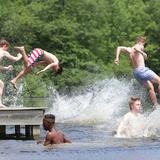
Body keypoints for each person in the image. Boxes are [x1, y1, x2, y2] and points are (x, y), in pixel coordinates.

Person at [114, 36, 160, 109]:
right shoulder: (139, 45)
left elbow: (119, 47)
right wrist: (142, 52)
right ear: (141, 42)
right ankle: (156, 104)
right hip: (142, 70)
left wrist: (117, 58)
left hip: (136, 73)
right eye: (143, 44)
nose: (143, 46)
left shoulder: (129, 49)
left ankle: (156, 105)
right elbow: (136, 48)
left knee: (150, 87)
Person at [0, 40, 22, 107]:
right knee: (1, 85)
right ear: (4, 46)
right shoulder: (3, 52)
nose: (7, 50)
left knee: (1, 84)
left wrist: (6, 68)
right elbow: (14, 59)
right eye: (7, 48)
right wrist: (20, 56)